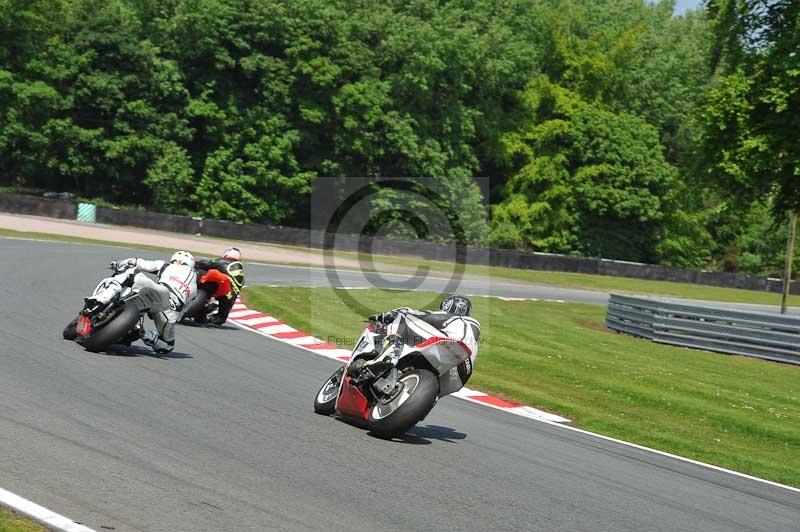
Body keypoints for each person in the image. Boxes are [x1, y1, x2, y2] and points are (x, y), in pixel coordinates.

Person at [363, 294, 480, 394]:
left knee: (404, 315)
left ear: (447, 305)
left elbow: (419, 315)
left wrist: (384, 316)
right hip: (462, 370)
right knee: (432, 394)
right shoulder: (473, 328)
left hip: (448, 343)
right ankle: (428, 398)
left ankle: (389, 358)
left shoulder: (454, 318)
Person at [94, 251, 198, 354]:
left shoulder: (166, 265)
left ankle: (102, 298)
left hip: (160, 292)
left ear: (175, 260)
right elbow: (183, 312)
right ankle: (143, 334)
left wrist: (119, 264)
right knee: (167, 346)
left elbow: (138, 262)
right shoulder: (195, 289)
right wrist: (173, 320)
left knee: (131, 271)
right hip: (170, 312)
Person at [193, 247, 245, 325]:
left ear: (226, 256)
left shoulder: (222, 262)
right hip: (230, 296)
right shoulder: (242, 274)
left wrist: (193, 263)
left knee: (203, 273)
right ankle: (207, 316)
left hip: (220, 288)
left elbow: (204, 263)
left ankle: (201, 304)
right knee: (220, 319)